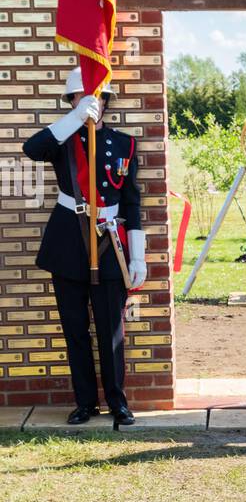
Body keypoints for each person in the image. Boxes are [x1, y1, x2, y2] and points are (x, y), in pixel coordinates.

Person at [22, 67, 147, 426]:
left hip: (110, 240)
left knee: (111, 330)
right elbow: (32, 149)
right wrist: (75, 118)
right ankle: (85, 402)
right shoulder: (62, 139)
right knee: (75, 328)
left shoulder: (124, 143)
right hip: (68, 240)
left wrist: (137, 254)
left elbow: (132, 203)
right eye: (84, 97)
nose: (95, 102)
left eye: (99, 97)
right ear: (72, 100)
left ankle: (117, 402)